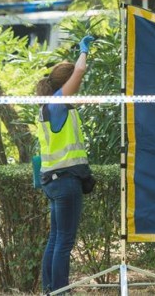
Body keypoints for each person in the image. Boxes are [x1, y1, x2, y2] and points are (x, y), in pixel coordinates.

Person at [36, 35, 94, 293]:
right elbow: (79, 71)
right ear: (65, 83)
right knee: (64, 242)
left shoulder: (49, 106)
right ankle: (60, 291)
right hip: (65, 181)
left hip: (52, 181)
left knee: (55, 239)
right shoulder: (57, 102)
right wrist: (83, 51)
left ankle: (50, 290)